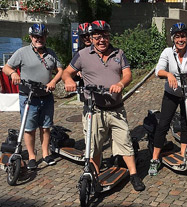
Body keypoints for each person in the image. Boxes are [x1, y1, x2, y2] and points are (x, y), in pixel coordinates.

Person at [62, 20, 145, 191]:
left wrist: (121, 84)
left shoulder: (118, 53)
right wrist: (69, 80)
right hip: (94, 109)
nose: (102, 40)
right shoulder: (83, 55)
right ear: (91, 38)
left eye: (105, 36)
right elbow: (66, 72)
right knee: (94, 146)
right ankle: (94, 176)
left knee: (125, 143)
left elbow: (128, 74)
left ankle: (134, 175)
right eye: (98, 36)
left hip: (116, 109)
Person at [148, 22, 187, 176]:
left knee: (185, 124)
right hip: (171, 94)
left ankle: (183, 154)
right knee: (163, 125)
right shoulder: (168, 52)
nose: (180, 39)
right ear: (173, 39)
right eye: (177, 37)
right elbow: (158, 70)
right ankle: (155, 159)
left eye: (183, 36)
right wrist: (168, 74)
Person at [2, 23, 63, 169]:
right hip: (28, 97)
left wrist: (54, 80)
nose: (39, 39)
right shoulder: (22, 52)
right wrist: (13, 73)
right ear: (31, 37)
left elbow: (60, 69)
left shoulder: (51, 53)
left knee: (46, 127)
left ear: (45, 37)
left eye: (41, 36)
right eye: (36, 36)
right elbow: (6, 67)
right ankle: (31, 156)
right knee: (29, 128)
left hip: (46, 97)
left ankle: (46, 154)